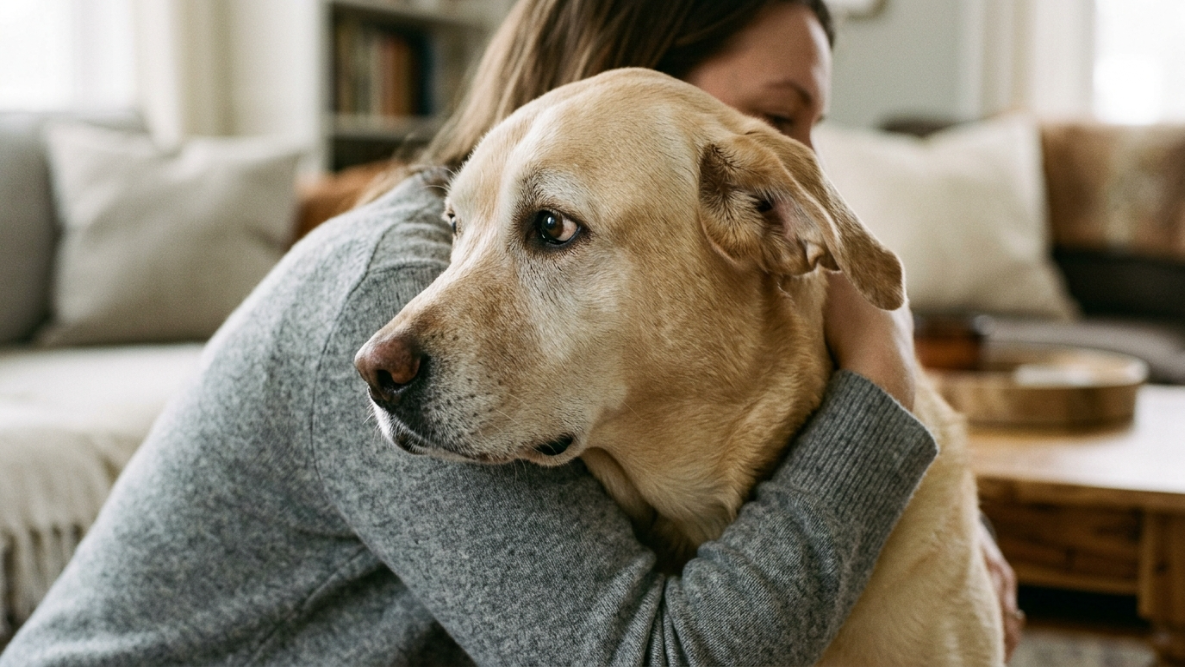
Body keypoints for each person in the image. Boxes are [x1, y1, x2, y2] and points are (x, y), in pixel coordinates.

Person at [0, 1, 1018, 664]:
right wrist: (883, 385)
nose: (796, 165)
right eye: (777, 118)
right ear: (631, 84)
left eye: (803, 130)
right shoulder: (381, 292)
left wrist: (932, 521)